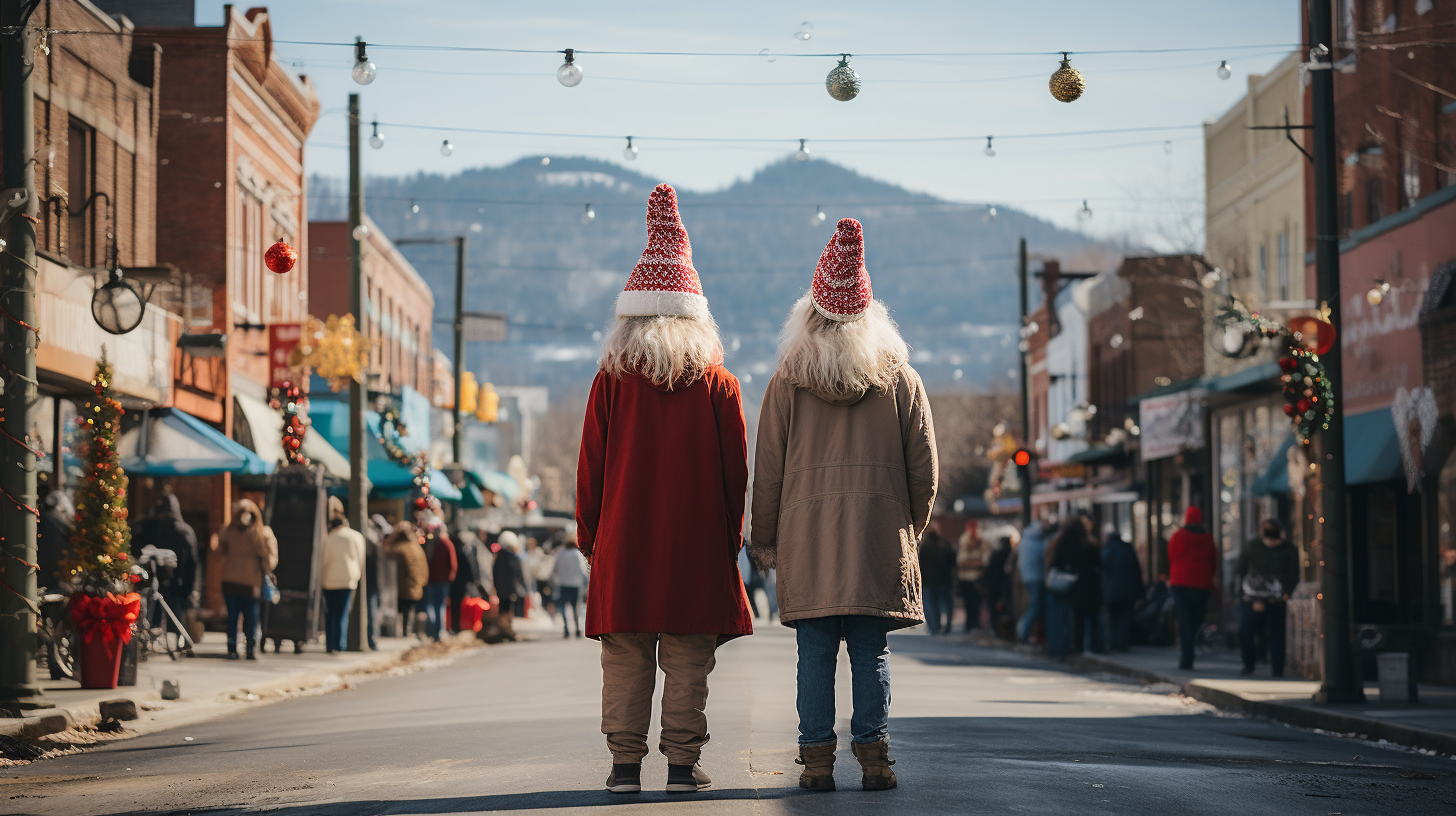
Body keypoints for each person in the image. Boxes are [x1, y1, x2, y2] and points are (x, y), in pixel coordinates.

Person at [576, 184, 753, 796]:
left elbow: (590, 468)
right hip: (695, 544)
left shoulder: (611, 381)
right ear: (695, 312)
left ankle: (625, 767)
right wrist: (727, 540)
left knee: (624, 660)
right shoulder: (719, 385)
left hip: (623, 543)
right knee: (687, 661)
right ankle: (681, 766)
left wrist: (590, 537)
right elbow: (737, 474)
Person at [750, 217, 937, 794]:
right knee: (870, 654)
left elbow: (769, 473)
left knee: (813, 656)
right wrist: (908, 531)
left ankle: (816, 765)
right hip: (878, 539)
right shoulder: (900, 380)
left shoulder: (787, 382)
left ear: (808, 318)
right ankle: (876, 761)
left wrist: (765, 539)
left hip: (807, 541)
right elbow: (924, 473)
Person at [1235, 518, 1300, 677]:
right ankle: (1249, 663)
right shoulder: (1252, 547)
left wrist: (1283, 591)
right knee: (1246, 630)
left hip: (1276, 599)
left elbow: (1293, 575)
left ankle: (1277, 668)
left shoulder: (1289, 549)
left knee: (1277, 633)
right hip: (1252, 598)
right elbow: (1239, 570)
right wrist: (1244, 593)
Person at [215, 498, 277, 660]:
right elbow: (269, 559)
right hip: (251, 583)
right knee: (251, 618)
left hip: (230, 581)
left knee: (233, 617)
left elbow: (218, 550)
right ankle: (250, 648)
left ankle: (232, 648)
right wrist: (267, 571)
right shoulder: (261, 533)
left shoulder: (228, 531)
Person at [136, 493, 198, 639]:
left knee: (154, 609)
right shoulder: (184, 530)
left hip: (155, 577)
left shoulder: (149, 527)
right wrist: (188, 587)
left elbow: (140, 548)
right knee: (174, 612)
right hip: (177, 580)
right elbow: (192, 562)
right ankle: (178, 639)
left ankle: (152, 637)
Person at [1168, 506, 1219, 670]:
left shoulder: (1177, 536)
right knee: (1196, 619)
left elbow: (1171, 555)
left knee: (1184, 622)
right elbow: (1213, 560)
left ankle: (1186, 658)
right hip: (1201, 585)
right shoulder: (1208, 538)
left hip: (1180, 583)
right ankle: (1189, 650)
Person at [1045, 513, 1103, 657]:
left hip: (1074, 583)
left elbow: (1056, 563)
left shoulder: (1063, 542)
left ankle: (1077, 647)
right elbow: (1099, 563)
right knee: (1093, 618)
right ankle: (1094, 647)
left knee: (1077, 619)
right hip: (1092, 584)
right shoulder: (1090, 543)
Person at [319, 496, 366, 654]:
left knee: (330, 613)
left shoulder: (329, 539)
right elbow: (360, 558)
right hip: (348, 580)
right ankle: (339, 644)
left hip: (330, 580)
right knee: (342, 613)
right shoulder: (356, 537)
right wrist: (356, 575)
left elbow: (324, 561)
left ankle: (330, 643)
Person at [1101, 527, 1144, 653]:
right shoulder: (1127, 549)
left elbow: (1103, 572)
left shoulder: (1107, 551)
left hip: (1111, 592)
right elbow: (1137, 571)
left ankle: (1115, 643)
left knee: (1114, 618)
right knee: (1124, 618)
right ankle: (1122, 643)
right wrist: (1140, 592)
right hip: (1127, 592)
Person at [1017, 514, 1057, 643]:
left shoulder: (1026, 538)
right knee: (1035, 606)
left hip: (1028, 576)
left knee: (1034, 605)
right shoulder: (1038, 541)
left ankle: (1025, 631)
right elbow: (1043, 559)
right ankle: (1024, 630)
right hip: (1037, 577)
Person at [384, 520, 427, 639]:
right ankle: (407, 630)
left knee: (401, 610)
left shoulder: (397, 549)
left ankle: (401, 631)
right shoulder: (416, 548)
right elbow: (423, 568)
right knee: (409, 610)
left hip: (400, 586)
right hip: (414, 585)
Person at [918, 521, 957, 635]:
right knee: (946, 604)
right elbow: (953, 561)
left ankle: (935, 627)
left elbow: (920, 564)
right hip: (944, 580)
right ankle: (947, 626)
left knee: (932, 605)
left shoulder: (925, 545)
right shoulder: (945, 543)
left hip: (929, 581)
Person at [421, 516, 457, 642]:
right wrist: (449, 578)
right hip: (441, 580)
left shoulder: (430, 543)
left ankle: (433, 632)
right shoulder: (446, 543)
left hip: (432, 579)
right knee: (439, 606)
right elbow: (453, 564)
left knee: (432, 606)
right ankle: (439, 632)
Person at [492, 531, 527, 640]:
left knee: (503, 608)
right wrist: (523, 586)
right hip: (510, 589)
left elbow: (494, 573)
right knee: (508, 609)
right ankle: (507, 629)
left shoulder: (498, 558)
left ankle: (504, 629)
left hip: (500, 589)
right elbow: (518, 573)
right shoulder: (513, 558)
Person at [449, 526, 484, 634]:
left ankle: (454, 626)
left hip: (452, 583)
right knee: (458, 605)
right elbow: (470, 569)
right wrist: (473, 581)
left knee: (453, 606)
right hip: (461, 584)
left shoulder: (454, 552)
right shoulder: (463, 553)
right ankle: (457, 626)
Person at [552, 535, 589, 638]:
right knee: (575, 607)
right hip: (576, 585)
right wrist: (586, 582)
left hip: (563, 584)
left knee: (563, 607)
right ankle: (577, 628)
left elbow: (555, 569)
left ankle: (566, 628)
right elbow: (583, 570)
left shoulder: (561, 554)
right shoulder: (578, 555)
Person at [956, 521, 988, 632]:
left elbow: (984, 562)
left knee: (976, 603)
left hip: (977, 578)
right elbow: (961, 562)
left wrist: (970, 563)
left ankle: (975, 624)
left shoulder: (982, 541)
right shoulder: (964, 540)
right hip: (965, 579)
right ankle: (969, 624)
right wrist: (975, 563)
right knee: (968, 603)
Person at [984, 535, 1015, 638]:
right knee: (1006, 607)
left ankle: (997, 628)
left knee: (994, 607)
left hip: (994, 583)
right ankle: (1007, 629)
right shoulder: (1011, 553)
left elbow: (989, 568)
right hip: (1006, 583)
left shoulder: (996, 554)